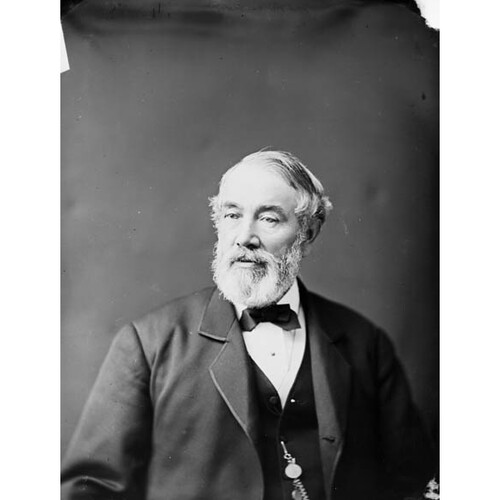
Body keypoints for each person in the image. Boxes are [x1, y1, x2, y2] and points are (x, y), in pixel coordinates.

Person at [61, 150, 435, 500]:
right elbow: (90, 488)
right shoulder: (149, 343)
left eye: (269, 218)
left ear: (308, 233)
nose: (244, 237)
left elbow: (413, 483)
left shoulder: (363, 343)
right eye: (232, 216)